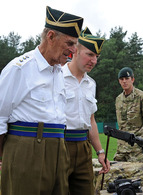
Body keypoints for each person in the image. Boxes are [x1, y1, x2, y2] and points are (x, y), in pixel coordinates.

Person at [0, 6, 83, 195]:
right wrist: (7, 158)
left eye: (75, 46)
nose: (72, 52)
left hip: (59, 149)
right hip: (26, 150)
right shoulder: (20, 68)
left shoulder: (59, 73)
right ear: (51, 36)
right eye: (69, 44)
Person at [62, 27, 110, 195]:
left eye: (97, 57)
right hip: (60, 145)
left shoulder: (91, 84)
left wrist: (100, 152)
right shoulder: (57, 76)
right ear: (75, 51)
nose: (94, 61)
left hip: (84, 148)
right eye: (89, 54)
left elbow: (91, 121)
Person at [114, 67, 143, 162]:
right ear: (119, 81)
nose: (124, 81)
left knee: (140, 175)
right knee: (117, 175)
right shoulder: (118, 99)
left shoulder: (142, 97)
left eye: (127, 78)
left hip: (137, 149)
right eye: (122, 79)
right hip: (121, 149)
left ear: (132, 79)